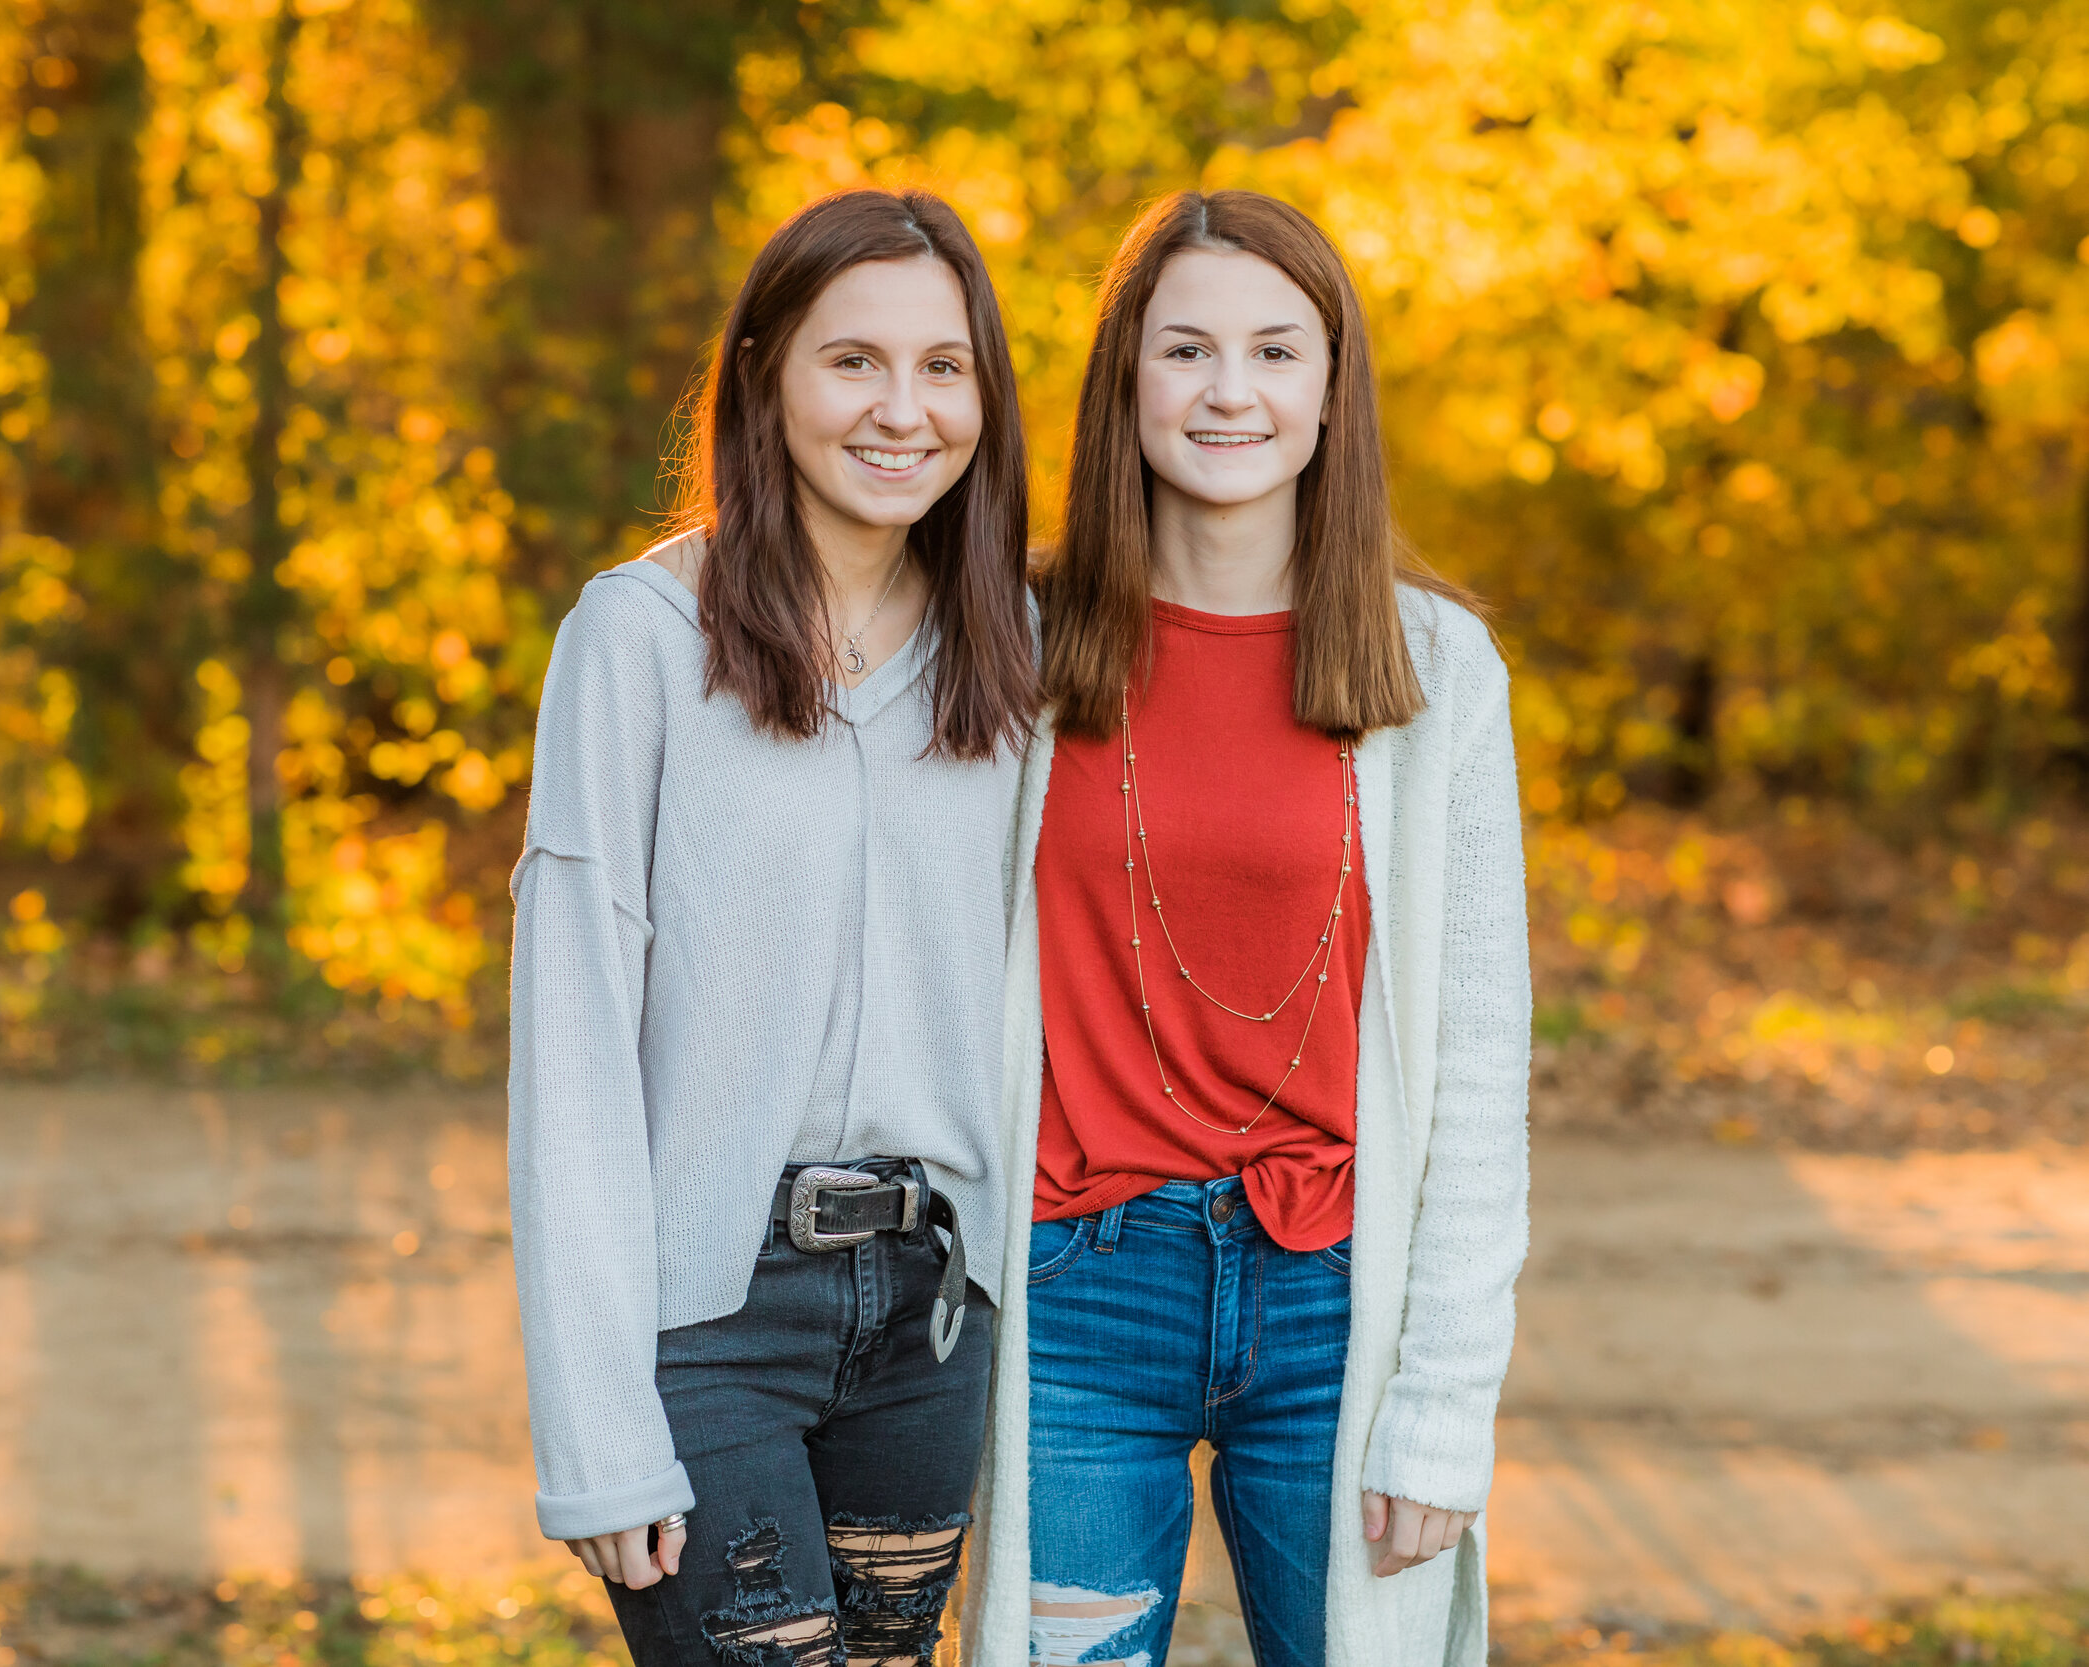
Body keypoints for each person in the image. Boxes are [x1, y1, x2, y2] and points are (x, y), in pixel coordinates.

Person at [961, 189, 1532, 1667]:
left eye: (1277, 351)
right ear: (1125, 383)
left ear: (1333, 389)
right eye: (1186, 350)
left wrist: (1447, 1400)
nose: (1231, 391)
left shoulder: (1436, 670)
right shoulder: (1010, 646)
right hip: (1077, 1299)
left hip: (1340, 1304)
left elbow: (1478, 1058)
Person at [507, 187, 1038, 1667]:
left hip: (936, 1322)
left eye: (945, 368)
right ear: (763, 377)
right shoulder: (639, 639)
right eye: (851, 360)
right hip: (710, 1317)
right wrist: (597, 1424)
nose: (902, 410)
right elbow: (572, 1047)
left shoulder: (1021, 652)